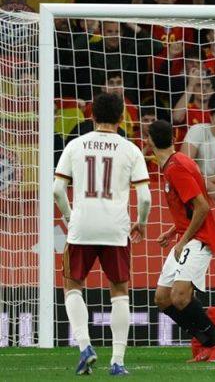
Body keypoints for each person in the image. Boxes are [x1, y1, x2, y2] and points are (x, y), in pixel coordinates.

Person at [53, 93, 152, 375]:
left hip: (82, 226)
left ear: (92, 115)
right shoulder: (130, 149)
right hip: (115, 228)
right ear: (121, 118)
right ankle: (117, 361)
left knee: (73, 285)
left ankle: (85, 347)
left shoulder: (75, 145)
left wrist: (69, 216)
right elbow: (145, 197)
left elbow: (57, 190)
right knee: (119, 291)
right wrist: (142, 222)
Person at [148, 119, 215, 363]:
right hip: (187, 235)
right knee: (163, 298)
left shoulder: (176, 167)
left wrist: (182, 239)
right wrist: (173, 231)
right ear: (173, 138)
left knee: (179, 296)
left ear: (150, 141)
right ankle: (207, 344)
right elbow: (189, 208)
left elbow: (202, 207)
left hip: (198, 238)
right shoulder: (176, 163)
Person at [182, 108, 215, 205]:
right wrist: (207, 185)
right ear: (211, 117)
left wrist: (206, 182)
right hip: (192, 184)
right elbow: (183, 166)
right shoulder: (197, 130)